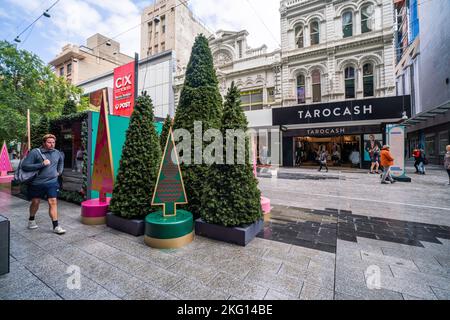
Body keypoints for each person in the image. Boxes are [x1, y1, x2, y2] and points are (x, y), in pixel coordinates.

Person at [21, 134, 66, 234]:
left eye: (53, 142)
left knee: (53, 201)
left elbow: (61, 162)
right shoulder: (35, 152)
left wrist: (59, 172)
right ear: (44, 143)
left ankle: (56, 226)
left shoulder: (57, 152)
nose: (52, 144)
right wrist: (41, 164)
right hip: (37, 183)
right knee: (36, 202)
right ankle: (31, 220)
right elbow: (25, 166)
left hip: (52, 182)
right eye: (49, 142)